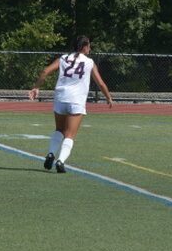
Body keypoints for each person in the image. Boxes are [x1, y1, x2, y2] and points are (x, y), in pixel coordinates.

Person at [28, 35, 113, 173]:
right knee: (70, 134)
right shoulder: (89, 62)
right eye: (89, 45)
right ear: (84, 47)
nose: (90, 48)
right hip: (76, 100)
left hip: (60, 98)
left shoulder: (63, 58)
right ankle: (60, 161)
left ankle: (51, 153)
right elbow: (101, 83)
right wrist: (108, 97)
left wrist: (36, 87)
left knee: (59, 129)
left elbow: (45, 71)